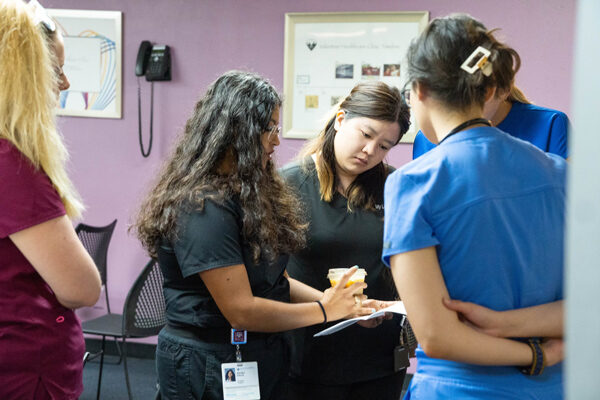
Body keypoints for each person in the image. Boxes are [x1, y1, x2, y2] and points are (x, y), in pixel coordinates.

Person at [132, 70, 375, 400]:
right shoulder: (202, 205)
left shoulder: (244, 192)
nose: (276, 140)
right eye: (270, 129)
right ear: (238, 131)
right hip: (206, 361)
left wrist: (336, 303)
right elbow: (241, 310)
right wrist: (324, 311)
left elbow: (274, 283)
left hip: (255, 353)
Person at [382, 14, 566, 399]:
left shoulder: (414, 183)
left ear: (418, 90)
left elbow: (435, 336)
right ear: (488, 90)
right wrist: (517, 330)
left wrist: (535, 355)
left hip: (459, 388)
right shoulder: (561, 174)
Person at [280, 81, 411, 400]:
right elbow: (274, 276)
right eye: (366, 134)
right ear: (340, 119)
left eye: (384, 146)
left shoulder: (393, 185)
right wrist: (335, 307)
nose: (370, 151)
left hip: (379, 356)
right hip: (310, 354)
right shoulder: (288, 183)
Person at [0, 1, 101, 399]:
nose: (64, 84)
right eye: (56, 71)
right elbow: (81, 288)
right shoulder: (11, 163)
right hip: (26, 370)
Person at [411, 22, 570, 160]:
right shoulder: (427, 139)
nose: (459, 108)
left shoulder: (551, 125)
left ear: (502, 90)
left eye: (472, 94)